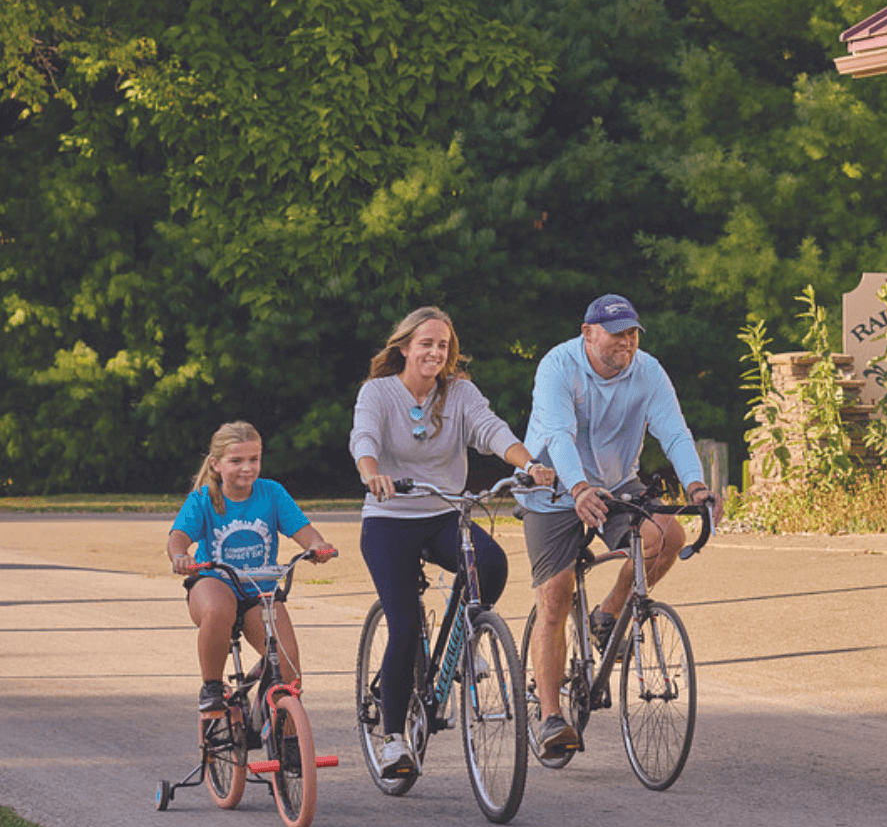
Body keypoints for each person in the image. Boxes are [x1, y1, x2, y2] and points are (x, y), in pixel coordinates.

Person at [349, 305, 553, 778]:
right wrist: (372, 473)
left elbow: (491, 430)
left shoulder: (459, 393)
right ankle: (395, 740)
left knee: (492, 563)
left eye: (443, 346)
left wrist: (524, 464)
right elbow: (364, 438)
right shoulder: (378, 393)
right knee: (402, 626)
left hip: (444, 513)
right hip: (390, 518)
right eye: (426, 344)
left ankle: (465, 638)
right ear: (403, 348)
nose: (436, 353)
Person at [515, 293, 721, 759]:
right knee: (555, 594)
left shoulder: (647, 370)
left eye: (632, 333)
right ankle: (551, 717)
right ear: (588, 333)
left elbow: (673, 429)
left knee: (668, 534)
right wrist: (579, 489)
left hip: (614, 481)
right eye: (616, 334)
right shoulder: (557, 366)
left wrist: (696, 486)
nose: (626, 343)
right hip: (552, 488)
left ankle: (606, 616)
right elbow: (559, 436)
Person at [167, 421, 336, 724]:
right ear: (216, 464)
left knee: (288, 667)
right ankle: (212, 686)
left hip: (260, 591)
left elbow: (304, 531)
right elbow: (178, 537)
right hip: (213, 582)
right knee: (219, 608)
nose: (247, 468)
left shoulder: (271, 493)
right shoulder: (203, 499)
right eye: (236, 460)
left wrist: (317, 545)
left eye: (254, 459)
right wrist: (180, 555)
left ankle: (289, 744)